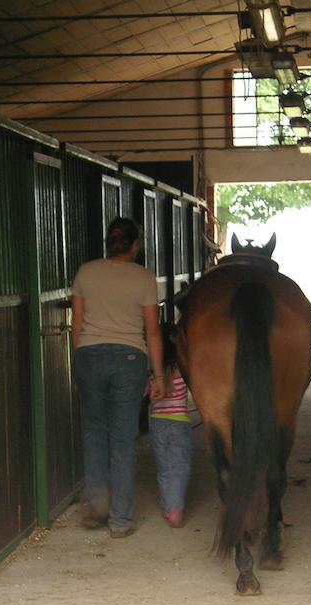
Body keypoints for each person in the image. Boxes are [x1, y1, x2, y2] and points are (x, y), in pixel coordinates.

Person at [72, 217, 164, 538]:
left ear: (109, 244)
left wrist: (79, 361)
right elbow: (152, 331)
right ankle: (121, 521)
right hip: (129, 359)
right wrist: (159, 374)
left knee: (94, 432)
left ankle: (97, 504)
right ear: (135, 245)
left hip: (89, 356)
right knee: (123, 439)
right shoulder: (144, 278)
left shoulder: (86, 272)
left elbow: (77, 324)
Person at [147, 326, 192, 528]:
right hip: (179, 424)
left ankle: (168, 507)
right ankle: (176, 509)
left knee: (164, 469)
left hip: (157, 423)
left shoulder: (152, 376)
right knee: (179, 467)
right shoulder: (183, 372)